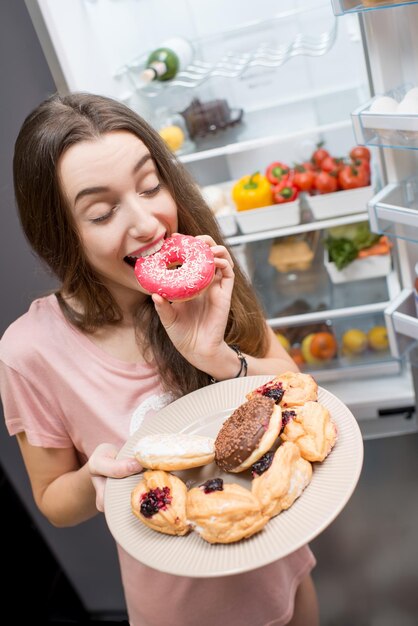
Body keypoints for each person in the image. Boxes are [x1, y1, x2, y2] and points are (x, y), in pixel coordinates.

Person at [0, 92, 319, 626]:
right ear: (61, 235)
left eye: (150, 186)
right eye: (101, 212)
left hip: (280, 567)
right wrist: (97, 476)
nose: (148, 223)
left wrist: (221, 359)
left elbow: (298, 390)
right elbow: (54, 500)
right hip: (180, 609)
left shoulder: (206, 273)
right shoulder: (29, 351)